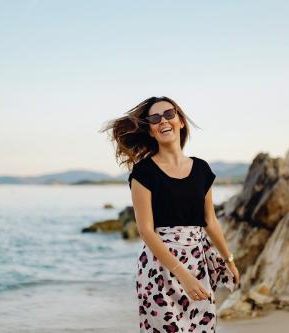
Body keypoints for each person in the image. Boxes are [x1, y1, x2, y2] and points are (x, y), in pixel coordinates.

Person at [101, 96, 240, 332]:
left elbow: (210, 221)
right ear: (151, 131)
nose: (163, 121)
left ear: (181, 121)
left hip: (198, 264)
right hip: (159, 269)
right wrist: (182, 274)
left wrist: (229, 260)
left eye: (169, 114)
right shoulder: (143, 172)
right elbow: (145, 230)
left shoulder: (201, 169)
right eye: (154, 118)